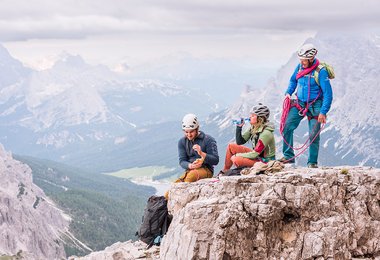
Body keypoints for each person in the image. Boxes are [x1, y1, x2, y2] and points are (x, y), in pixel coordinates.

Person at [280, 43, 333, 168]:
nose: (302, 62)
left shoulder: (321, 72)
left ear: (311, 58)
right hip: (300, 103)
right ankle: (288, 156)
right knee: (286, 126)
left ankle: (312, 163)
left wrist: (323, 112)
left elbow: (328, 94)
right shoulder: (299, 67)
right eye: (301, 60)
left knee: (313, 134)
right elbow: (293, 80)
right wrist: (288, 92)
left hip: (316, 105)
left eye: (304, 60)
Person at [164, 113, 219, 199]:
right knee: (169, 192)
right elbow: (182, 161)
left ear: (197, 129)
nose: (189, 135)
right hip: (190, 170)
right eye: (186, 132)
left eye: (191, 132)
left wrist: (202, 154)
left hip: (206, 169)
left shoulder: (208, 140)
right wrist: (190, 165)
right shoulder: (182, 142)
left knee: (190, 178)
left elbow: (215, 160)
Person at [220, 103, 276, 174]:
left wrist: (238, 155)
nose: (250, 117)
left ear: (260, 118)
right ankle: (225, 171)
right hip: (258, 157)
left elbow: (254, 154)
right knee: (231, 146)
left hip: (265, 162)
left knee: (235, 159)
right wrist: (239, 127)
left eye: (253, 116)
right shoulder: (254, 127)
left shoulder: (266, 133)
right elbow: (240, 142)